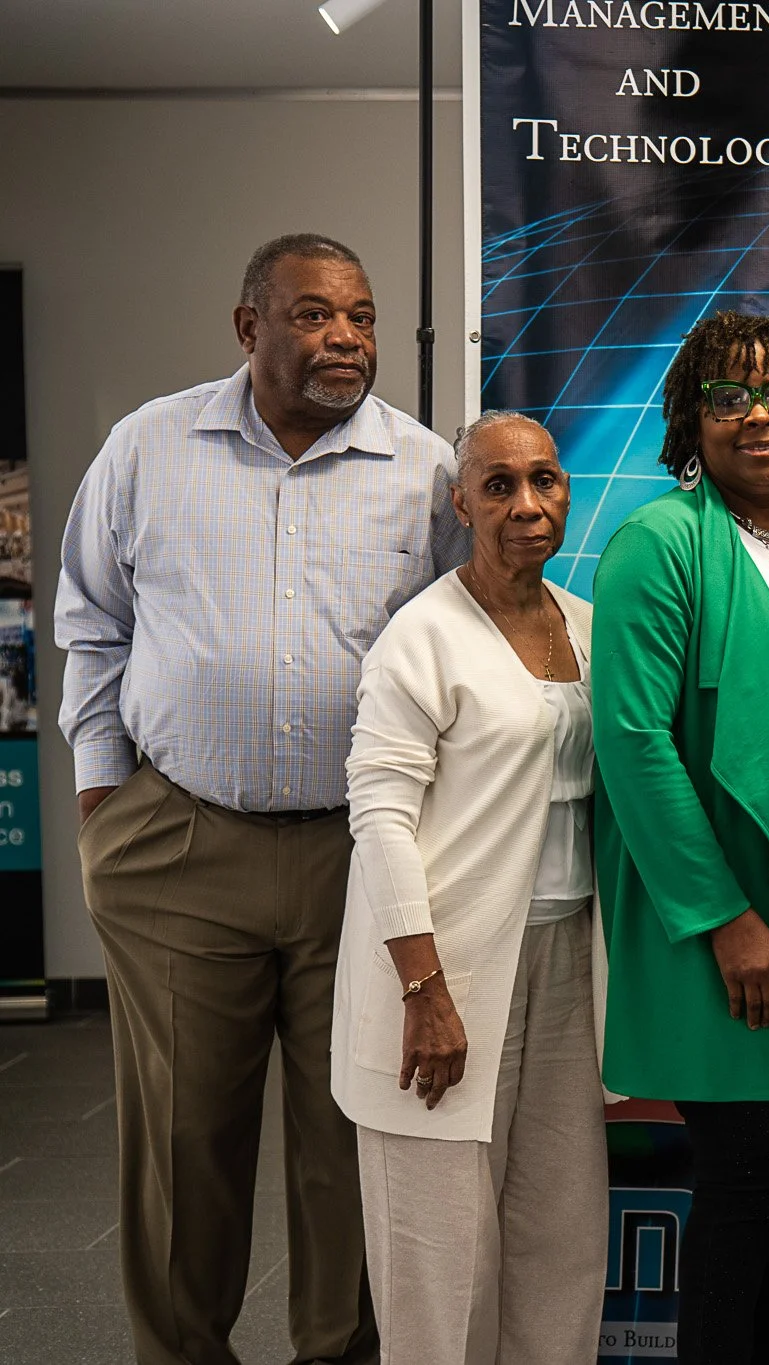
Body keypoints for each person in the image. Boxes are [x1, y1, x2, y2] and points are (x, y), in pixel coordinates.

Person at [56, 232, 465, 1365]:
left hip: (357, 854)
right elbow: (92, 623)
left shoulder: (425, 468)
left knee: (353, 1138)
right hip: (181, 842)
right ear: (249, 328)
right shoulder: (149, 447)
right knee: (185, 1138)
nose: (346, 338)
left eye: (362, 317)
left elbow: (463, 647)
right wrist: (103, 797)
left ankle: (338, 1353)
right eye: (314, 315)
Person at [593, 312, 769, 1365]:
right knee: (746, 1176)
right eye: (730, 396)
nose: (760, 416)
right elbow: (632, 741)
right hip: (724, 892)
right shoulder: (658, 543)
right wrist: (723, 917)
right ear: (689, 417)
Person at [330, 411, 607, 1363]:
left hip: (565, 959)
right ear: (460, 503)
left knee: (560, 1238)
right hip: (442, 971)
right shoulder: (422, 638)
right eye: (498, 486)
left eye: (544, 480)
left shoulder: (585, 622)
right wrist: (424, 988)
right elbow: (380, 818)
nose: (527, 504)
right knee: (440, 1262)